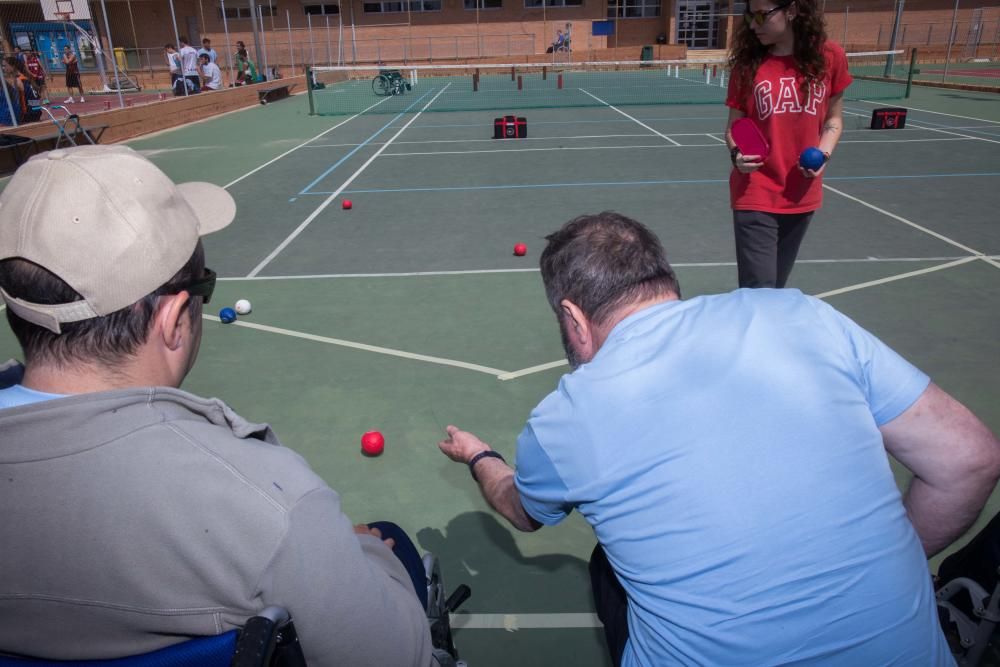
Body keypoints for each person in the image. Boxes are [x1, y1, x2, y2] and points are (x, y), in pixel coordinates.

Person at [437, 211, 1000, 666]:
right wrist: (891, 557)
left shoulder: (565, 417)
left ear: (574, 319)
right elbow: (971, 459)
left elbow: (522, 510)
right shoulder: (799, 314)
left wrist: (480, 455)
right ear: (664, 282)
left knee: (608, 567)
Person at [0, 145, 434, 666]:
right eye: (202, 287)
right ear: (174, 319)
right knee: (395, 546)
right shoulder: (272, 503)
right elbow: (394, 657)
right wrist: (357, 552)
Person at [725, 0, 850, 288]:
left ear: (791, 10)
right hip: (755, 190)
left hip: (801, 194)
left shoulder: (830, 57)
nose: (754, 24)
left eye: (761, 16)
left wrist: (823, 153)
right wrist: (737, 154)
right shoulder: (748, 65)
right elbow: (735, 126)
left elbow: (833, 120)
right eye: (750, 17)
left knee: (776, 288)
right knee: (760, 290)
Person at [4, 56, 41, 122]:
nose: (4, 68)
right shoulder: (27, 77)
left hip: (27, 116)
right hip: (37, 112)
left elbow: (15, 102)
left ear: (13, 66)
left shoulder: (17, 81)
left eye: (5, 66)